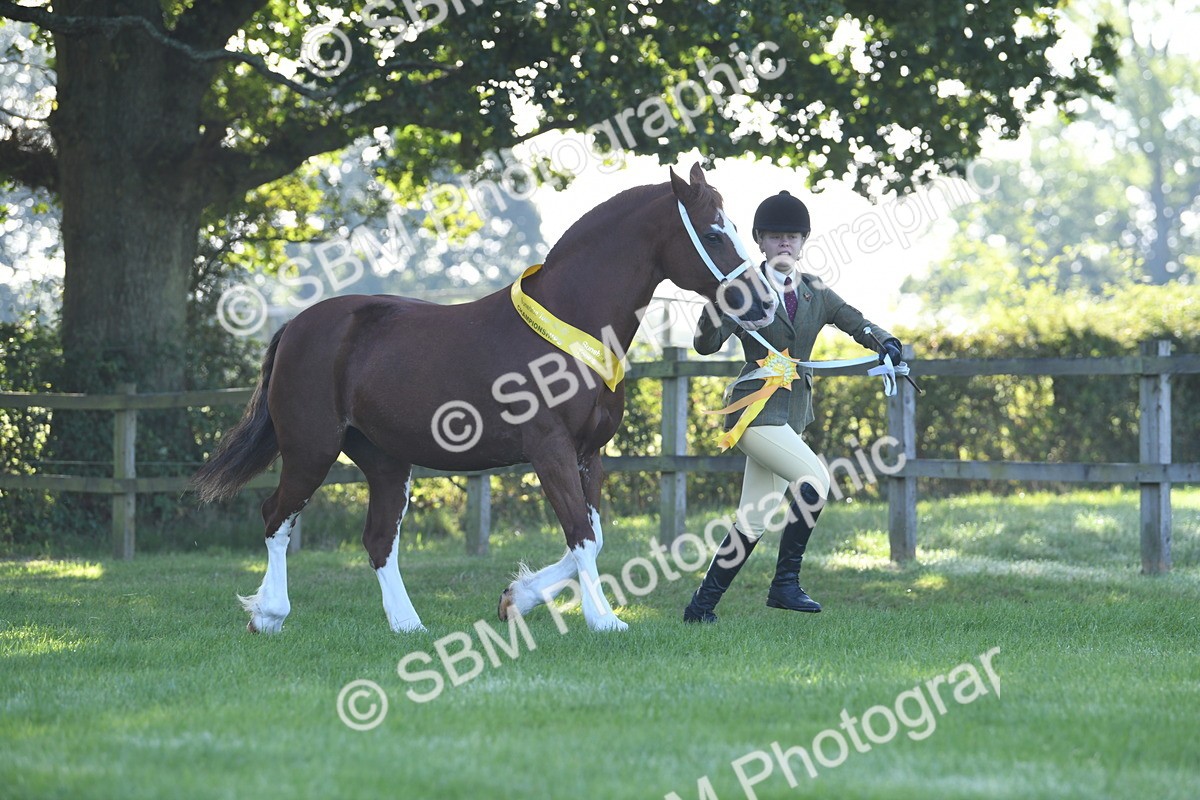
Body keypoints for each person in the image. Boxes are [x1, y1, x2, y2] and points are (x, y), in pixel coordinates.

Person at [684, 190, 903, 623]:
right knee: (815, 480)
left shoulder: (815, 292)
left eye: (793, 236)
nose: (785, 242)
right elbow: (705, 345)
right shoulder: (744, 290)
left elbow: (855, 322)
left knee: (753, 519)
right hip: (754, 413)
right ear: (760, 241)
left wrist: (886, 342)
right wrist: (717, 306)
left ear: (802, 242)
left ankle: (700, 608)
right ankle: (785, 584)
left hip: (792, 417)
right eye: (775, 236)